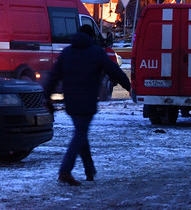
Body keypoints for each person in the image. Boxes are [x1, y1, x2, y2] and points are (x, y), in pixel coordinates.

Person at [44, 25, 131, 186]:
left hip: (70, 100)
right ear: (91, 37)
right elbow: (114, 70)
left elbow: (54, 76)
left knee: (81, 133)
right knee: (80, 134)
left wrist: (46, 96)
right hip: (88, 101)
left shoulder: (67, 52)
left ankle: (89, 170)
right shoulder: (96, 52)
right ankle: (65, 170)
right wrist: (129, 87)